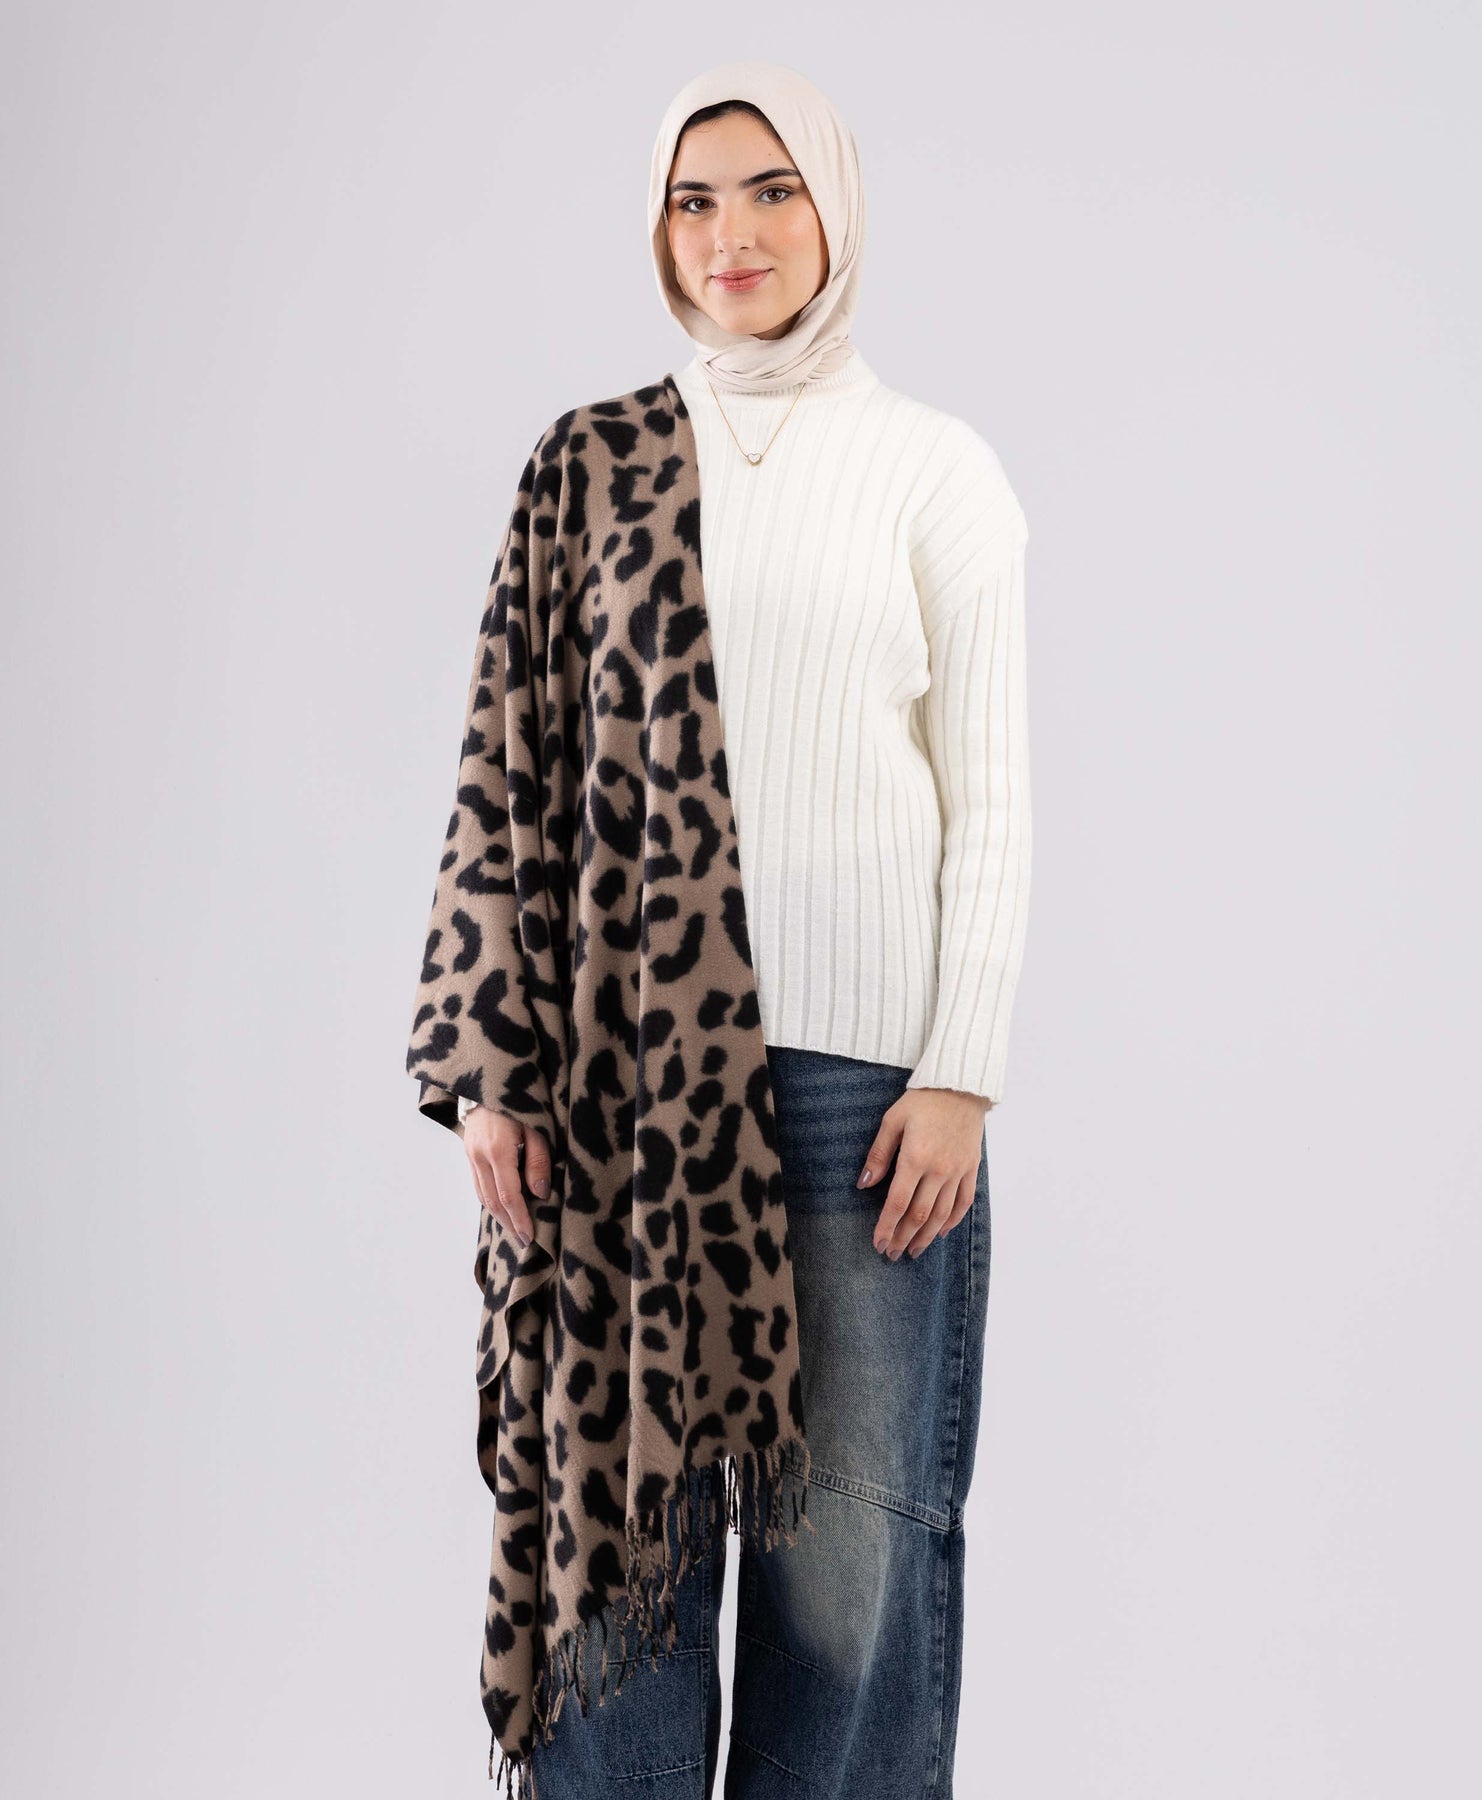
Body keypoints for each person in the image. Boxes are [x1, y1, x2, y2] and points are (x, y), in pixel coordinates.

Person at [447, 59, 1030, 1800]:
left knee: (851, 1557)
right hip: (621, 1088)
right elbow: (506, 768)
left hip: (868, 1101)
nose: (733, 233)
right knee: (620, 1554)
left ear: (832, 207)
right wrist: (493, 1070)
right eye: (693, 200)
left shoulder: (936, 470)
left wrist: (962, 1073)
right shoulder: (590, 465)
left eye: (772, 190)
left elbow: (994, 801)